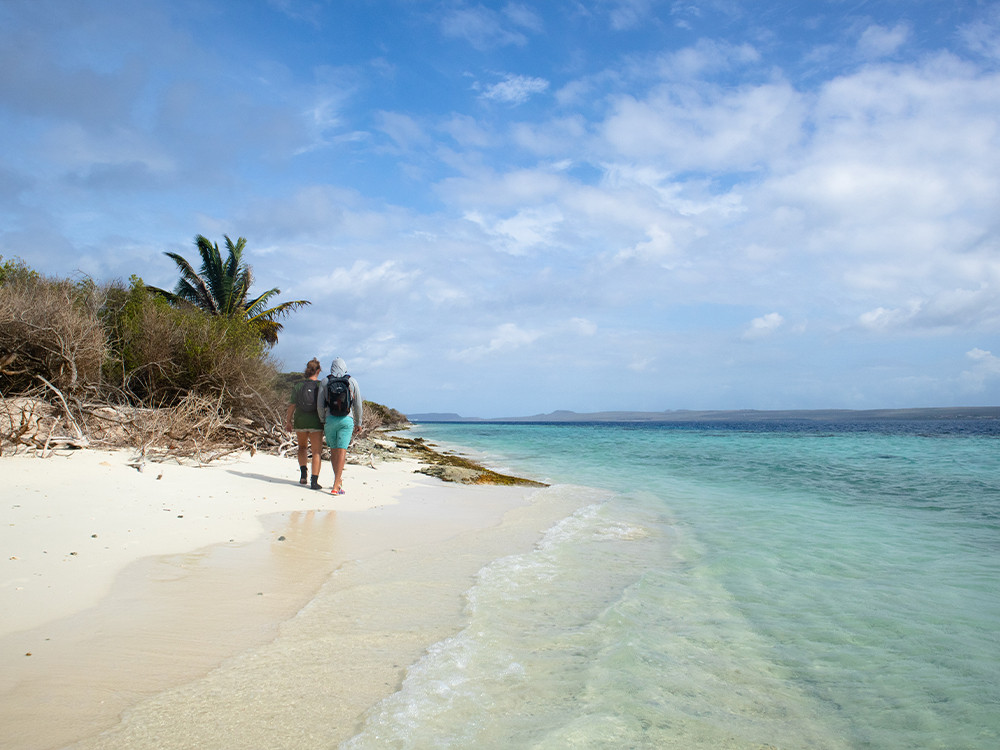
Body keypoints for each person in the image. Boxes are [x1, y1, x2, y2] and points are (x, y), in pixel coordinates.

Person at [317, 357, 362, 496]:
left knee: (334, 450)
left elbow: (320, 404)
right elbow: (358, 404)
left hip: (330, 420)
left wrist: (323, 419)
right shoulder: (351, 381)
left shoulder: (325, 381)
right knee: (342, 450)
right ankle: (336, 484)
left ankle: (337, 481)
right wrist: (359, 422)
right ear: (344, 367)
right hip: (346, 420)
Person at [284, 358, 324, 490]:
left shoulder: (298, 386)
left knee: (302, 447)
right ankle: (314, 481)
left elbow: (292, 405)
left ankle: (303, 475)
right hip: (316, 422)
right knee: (316, 451)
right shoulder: (321, 386)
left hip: (300, 420)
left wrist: (288, 421)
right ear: (318, 371)